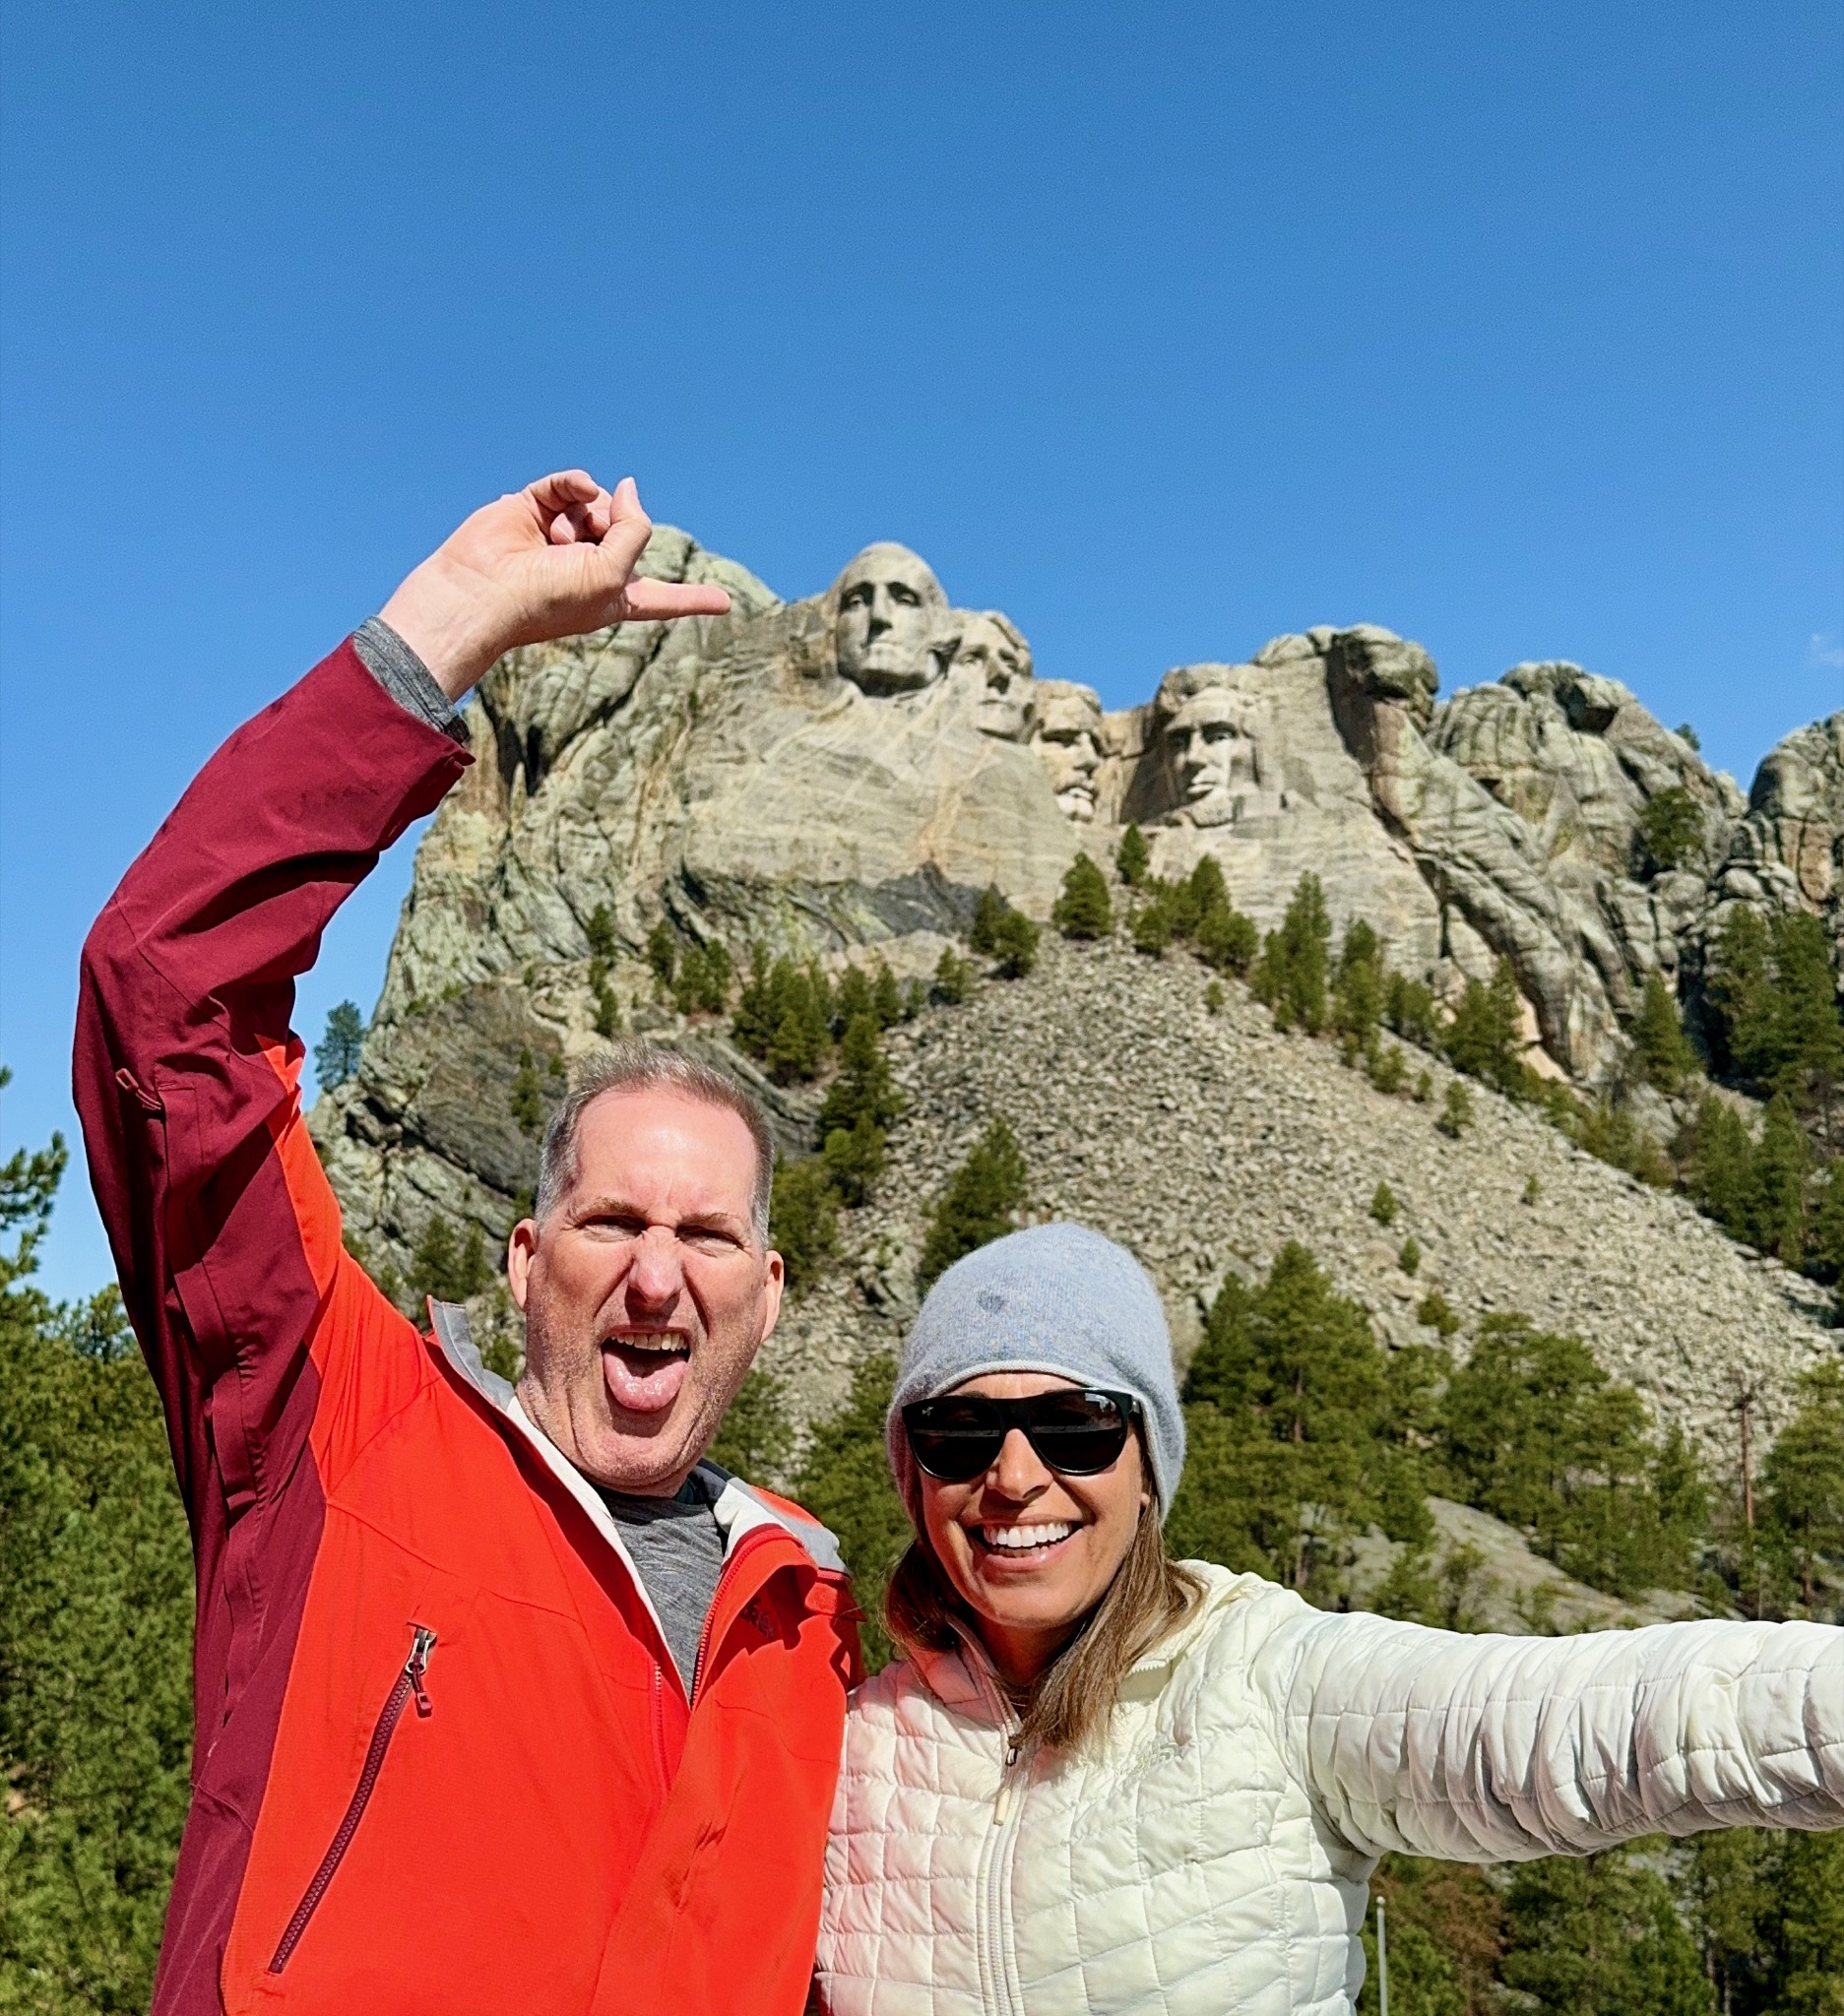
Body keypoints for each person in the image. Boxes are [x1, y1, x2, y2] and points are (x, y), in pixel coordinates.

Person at [74, 472, 861, 2016]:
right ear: (520, 1258)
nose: (655, 1275)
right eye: (610, 1221)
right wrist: (444, 635)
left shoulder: (814, 1621)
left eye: (705, 1235)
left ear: (766, 1300)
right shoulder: (335, 1434)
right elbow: (164, 999)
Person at [815, 1222, 1844, 2015]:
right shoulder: (844, 1750)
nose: (1014, 1475)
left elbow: (1580, 1721)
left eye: (1074, 1426)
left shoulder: (1268, 1678)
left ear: (1146, 1471)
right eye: (958, 1429)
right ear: (912, 1476)